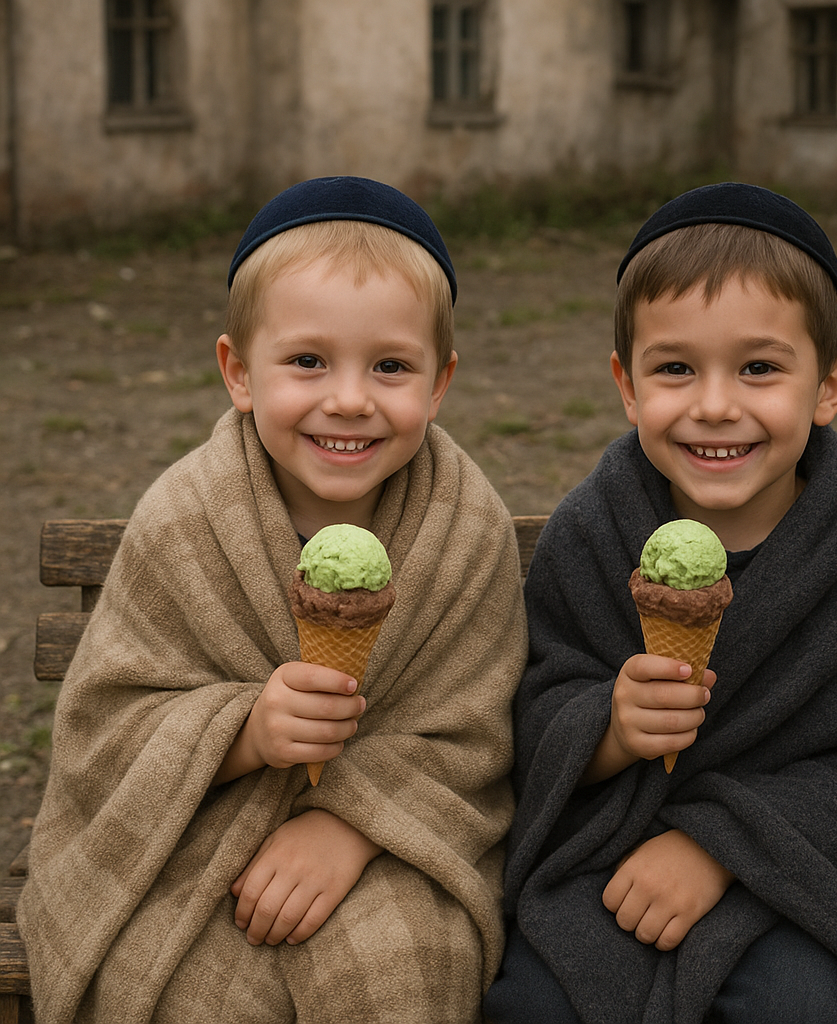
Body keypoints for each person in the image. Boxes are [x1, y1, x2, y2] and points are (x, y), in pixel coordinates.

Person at [18, 176, 528, 1024]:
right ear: (238, 372)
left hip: (392, 849)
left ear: (439, 384)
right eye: (307, 361)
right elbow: (106, 720)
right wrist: (244, 732)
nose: (350, 399)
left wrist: (353, 824)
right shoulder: (185, 518)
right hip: (194, 847)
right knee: (199, 992)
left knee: (406, 967)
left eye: (392, 366)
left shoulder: (466, 525)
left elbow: (475, 733)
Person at [485, 183, 837, 1024]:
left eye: (759, 368)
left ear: (829, 386)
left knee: (796, 1004)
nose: (716, 406)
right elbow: (527, 714)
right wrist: (606, 729)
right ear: (626, 385)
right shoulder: (592, 532)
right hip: (616, 859)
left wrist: (721, 845)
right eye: (676, 369)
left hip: (813, 888)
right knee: (541, 997)